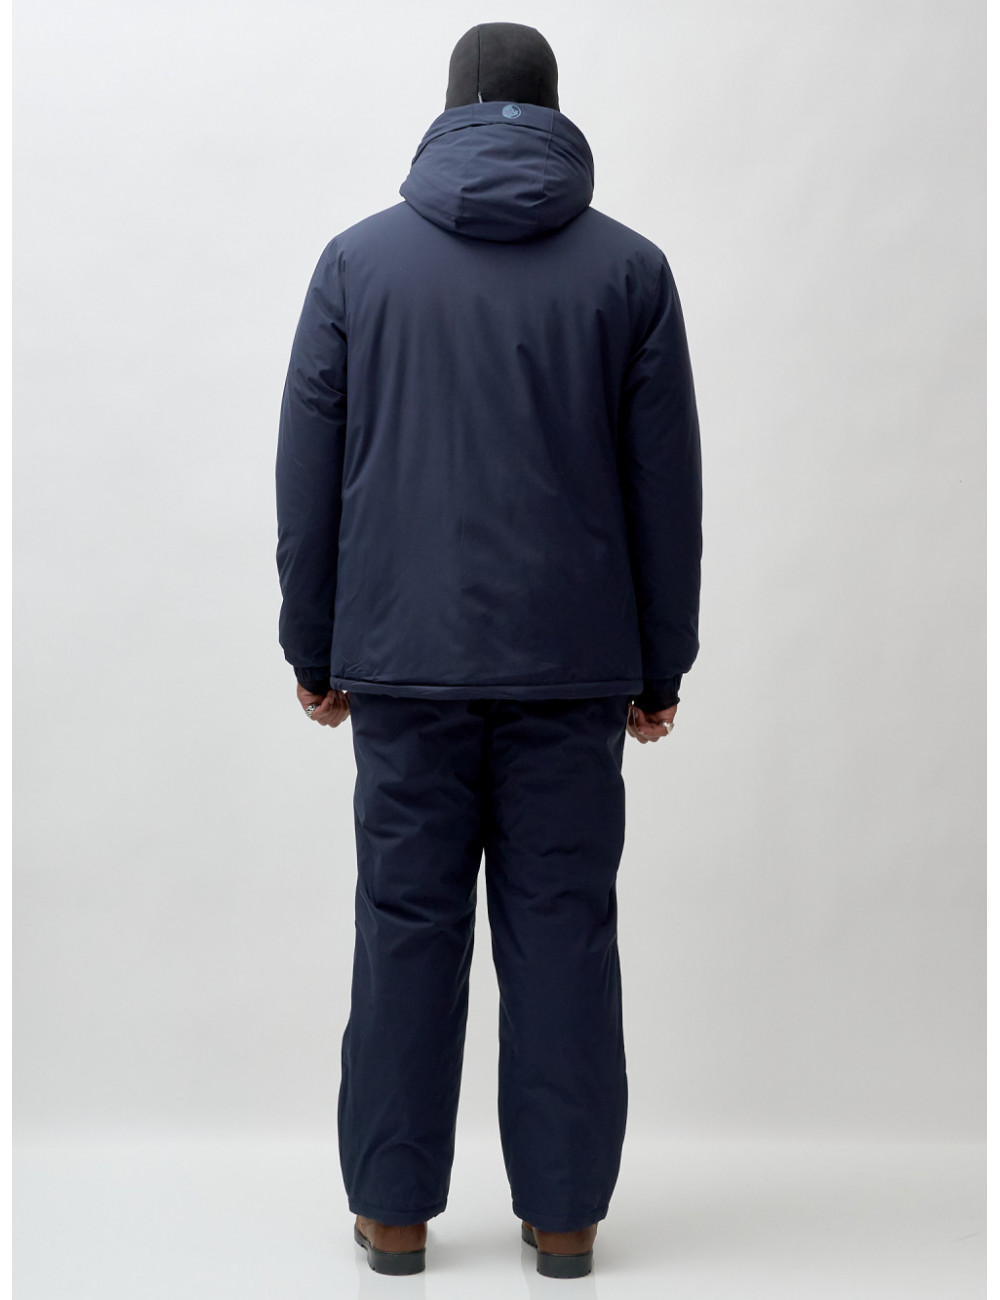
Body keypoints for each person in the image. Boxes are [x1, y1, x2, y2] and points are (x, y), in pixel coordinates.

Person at [274, 20, 702, 1279]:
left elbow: (307, 473)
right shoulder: (631, 272)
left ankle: (395, 1214)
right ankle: (563, 1220)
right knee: (561, 931)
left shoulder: (357, 264)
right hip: (571, 667)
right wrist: (660, 664)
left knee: (405, 928)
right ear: (552, 110)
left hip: (402, 658)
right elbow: (665, 488)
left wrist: (313, 646)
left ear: (448, 107)